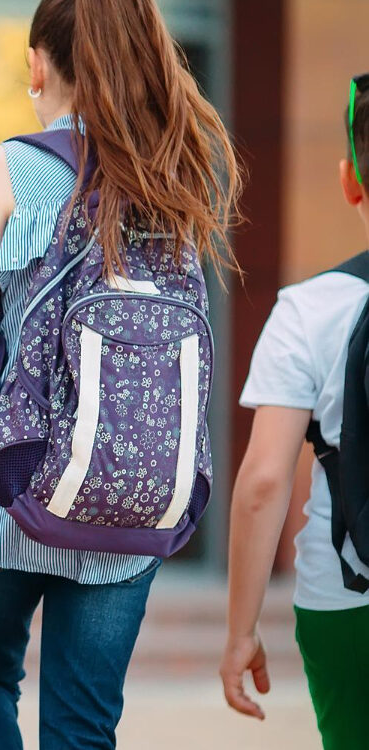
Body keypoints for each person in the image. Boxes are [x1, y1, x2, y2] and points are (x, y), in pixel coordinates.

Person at [0, 0, 241, 747]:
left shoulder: (10, 168)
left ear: (39, 63)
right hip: (134, 497)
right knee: (83, 723)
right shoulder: (181, 172)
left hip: (8, 486)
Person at [221, 75, 369, 749]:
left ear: (349, 179)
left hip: (346, 597)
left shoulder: (310, 309)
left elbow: (261, 485)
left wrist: (240, 631)